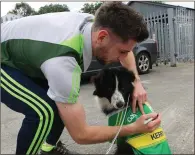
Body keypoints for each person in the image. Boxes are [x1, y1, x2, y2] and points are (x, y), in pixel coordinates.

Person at [1, 2, 161, 155]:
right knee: (43, 111)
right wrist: (133, 128)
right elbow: (81, 134)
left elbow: (125, 50)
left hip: (29, 55)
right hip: (4, 57)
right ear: (102, 38)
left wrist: (137, 82)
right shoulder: (63, 63)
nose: (122, 59)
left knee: (60, 103)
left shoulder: (94, 24)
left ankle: (49, 149)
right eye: (122, 52)